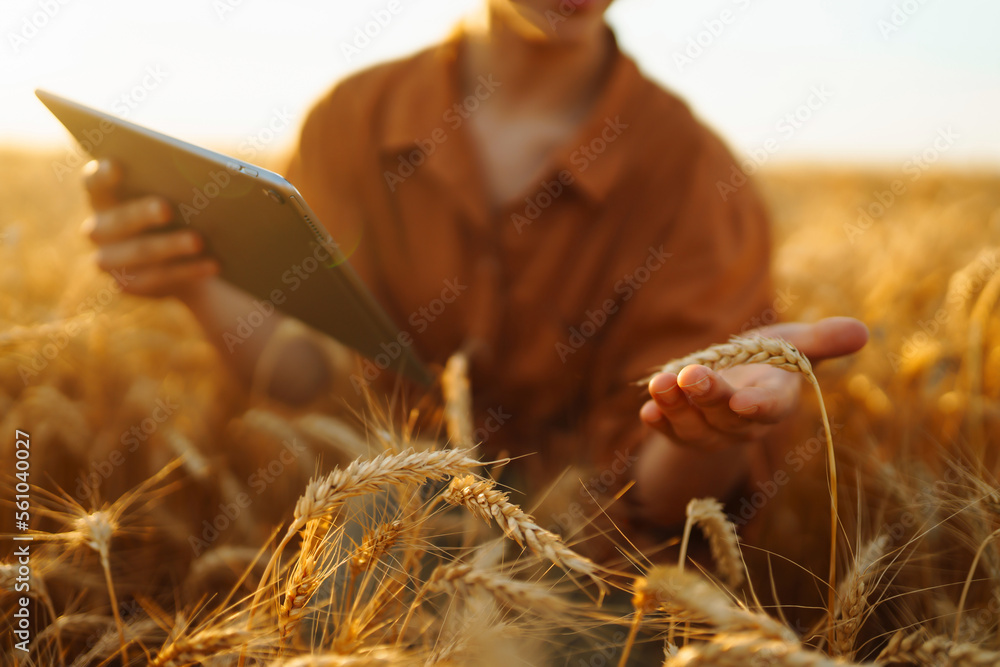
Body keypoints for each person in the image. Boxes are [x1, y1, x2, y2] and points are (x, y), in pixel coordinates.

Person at [81, 0, 867, 558]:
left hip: (592, 600)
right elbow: (312, 378)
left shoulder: (694, 174)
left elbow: (663, 511)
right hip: (360, 568)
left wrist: (714, 422)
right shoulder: (352, 119)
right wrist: (191, 280)